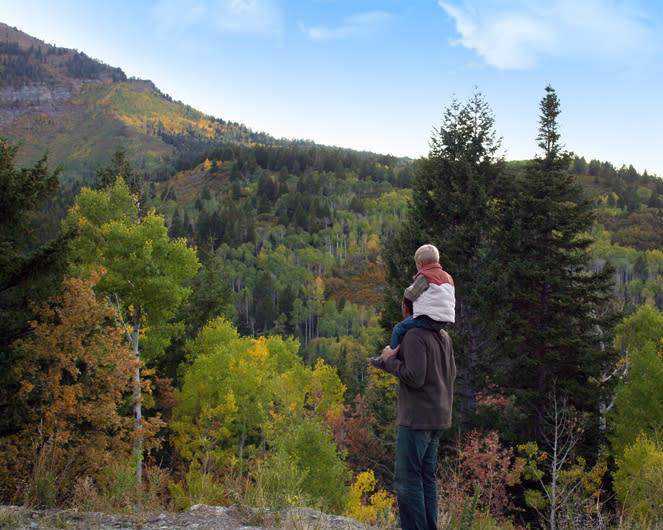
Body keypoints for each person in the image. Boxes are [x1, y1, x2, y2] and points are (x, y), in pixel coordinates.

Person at [375, 327, 456, 530]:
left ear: (408, 308)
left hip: (416, 421)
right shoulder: (442, 335)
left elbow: (415, 377)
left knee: (407, 479)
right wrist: (390, 363)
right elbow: (450, 373)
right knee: (426, 476)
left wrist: (389, 360)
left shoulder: (414, 336)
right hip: (437, 418)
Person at [370, 244, 455, 369]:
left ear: (420, 263)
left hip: (427, 318)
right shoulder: (448, 278)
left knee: (399, 328)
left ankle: (387, 358)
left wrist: (410, 288)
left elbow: (411, 294)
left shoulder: (425, 276)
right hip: (443, 320)